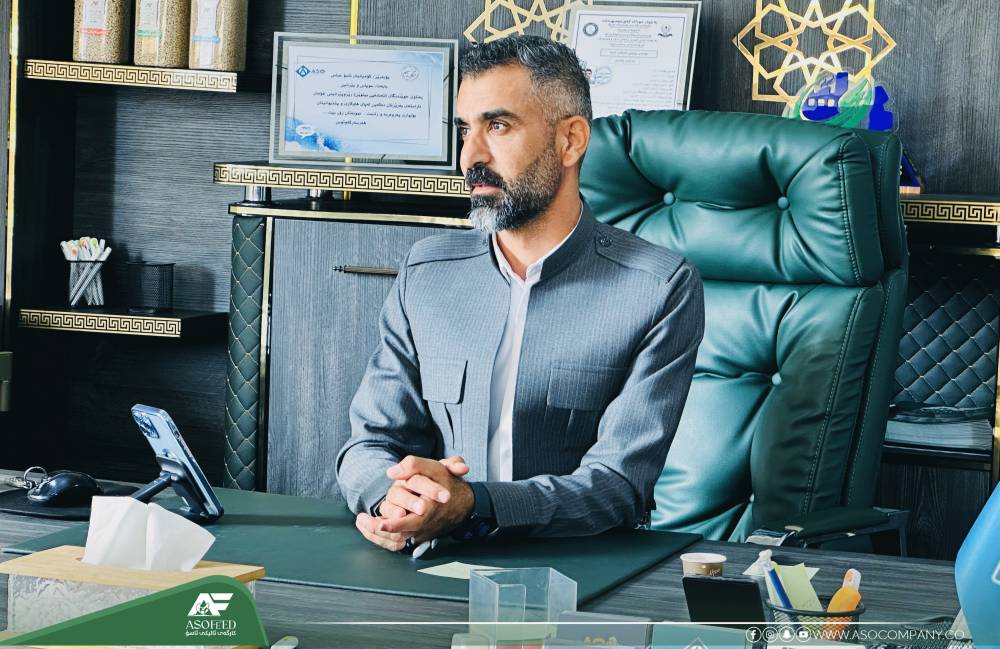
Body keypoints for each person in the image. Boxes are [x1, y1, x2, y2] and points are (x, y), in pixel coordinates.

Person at [336, 35, 704, 551]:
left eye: (498, 126)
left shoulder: (659, 287)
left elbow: (619, 486)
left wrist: (475, 506)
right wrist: (389, 501)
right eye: (464, 130)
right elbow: (371, 443)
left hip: (579, 572)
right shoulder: (427, 271)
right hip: (431, 563)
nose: (470, 156)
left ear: (571, 140)